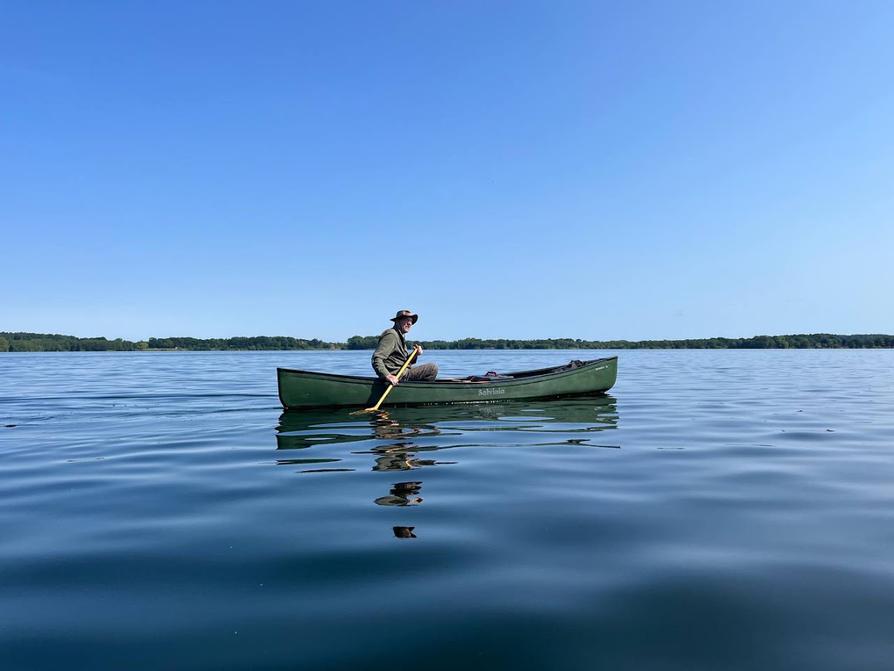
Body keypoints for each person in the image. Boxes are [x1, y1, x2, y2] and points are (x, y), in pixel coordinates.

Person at [372, 310, 438, 383]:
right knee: (432, 368)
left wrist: (415, 354)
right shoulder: (391, 335)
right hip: (397, 376)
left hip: (402, 373)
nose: (410, 323)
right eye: (406, 320)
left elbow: (404, 362)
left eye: (411, 321)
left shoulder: (400, 337)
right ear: (397, 321)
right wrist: (387, 375)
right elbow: (377, 358)